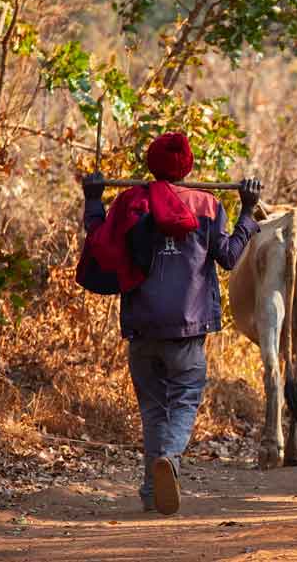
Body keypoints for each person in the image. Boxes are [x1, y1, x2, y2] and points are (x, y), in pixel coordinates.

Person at [80, 133, 262, 515]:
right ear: (189, 167)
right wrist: (248, 211)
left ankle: (151, 490)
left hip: (142, 326)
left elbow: (99, 241)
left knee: (152, 408)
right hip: (187, 329)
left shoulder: (129, 202)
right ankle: (170, 459)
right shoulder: (209, 206)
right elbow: (228, 257)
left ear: (151, 163)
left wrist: (93, 199)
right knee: (183, 400)